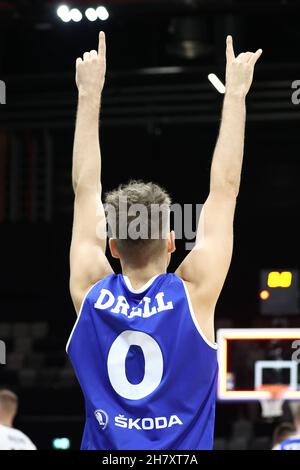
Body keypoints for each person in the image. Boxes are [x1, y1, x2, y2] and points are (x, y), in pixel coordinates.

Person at [67, 31, 262, 450]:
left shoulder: (90, 292)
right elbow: (225, 189)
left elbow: (85, 188)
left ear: (112, 246)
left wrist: (88, 95)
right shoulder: (194, 293)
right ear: (173, 241)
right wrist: (236, 95)